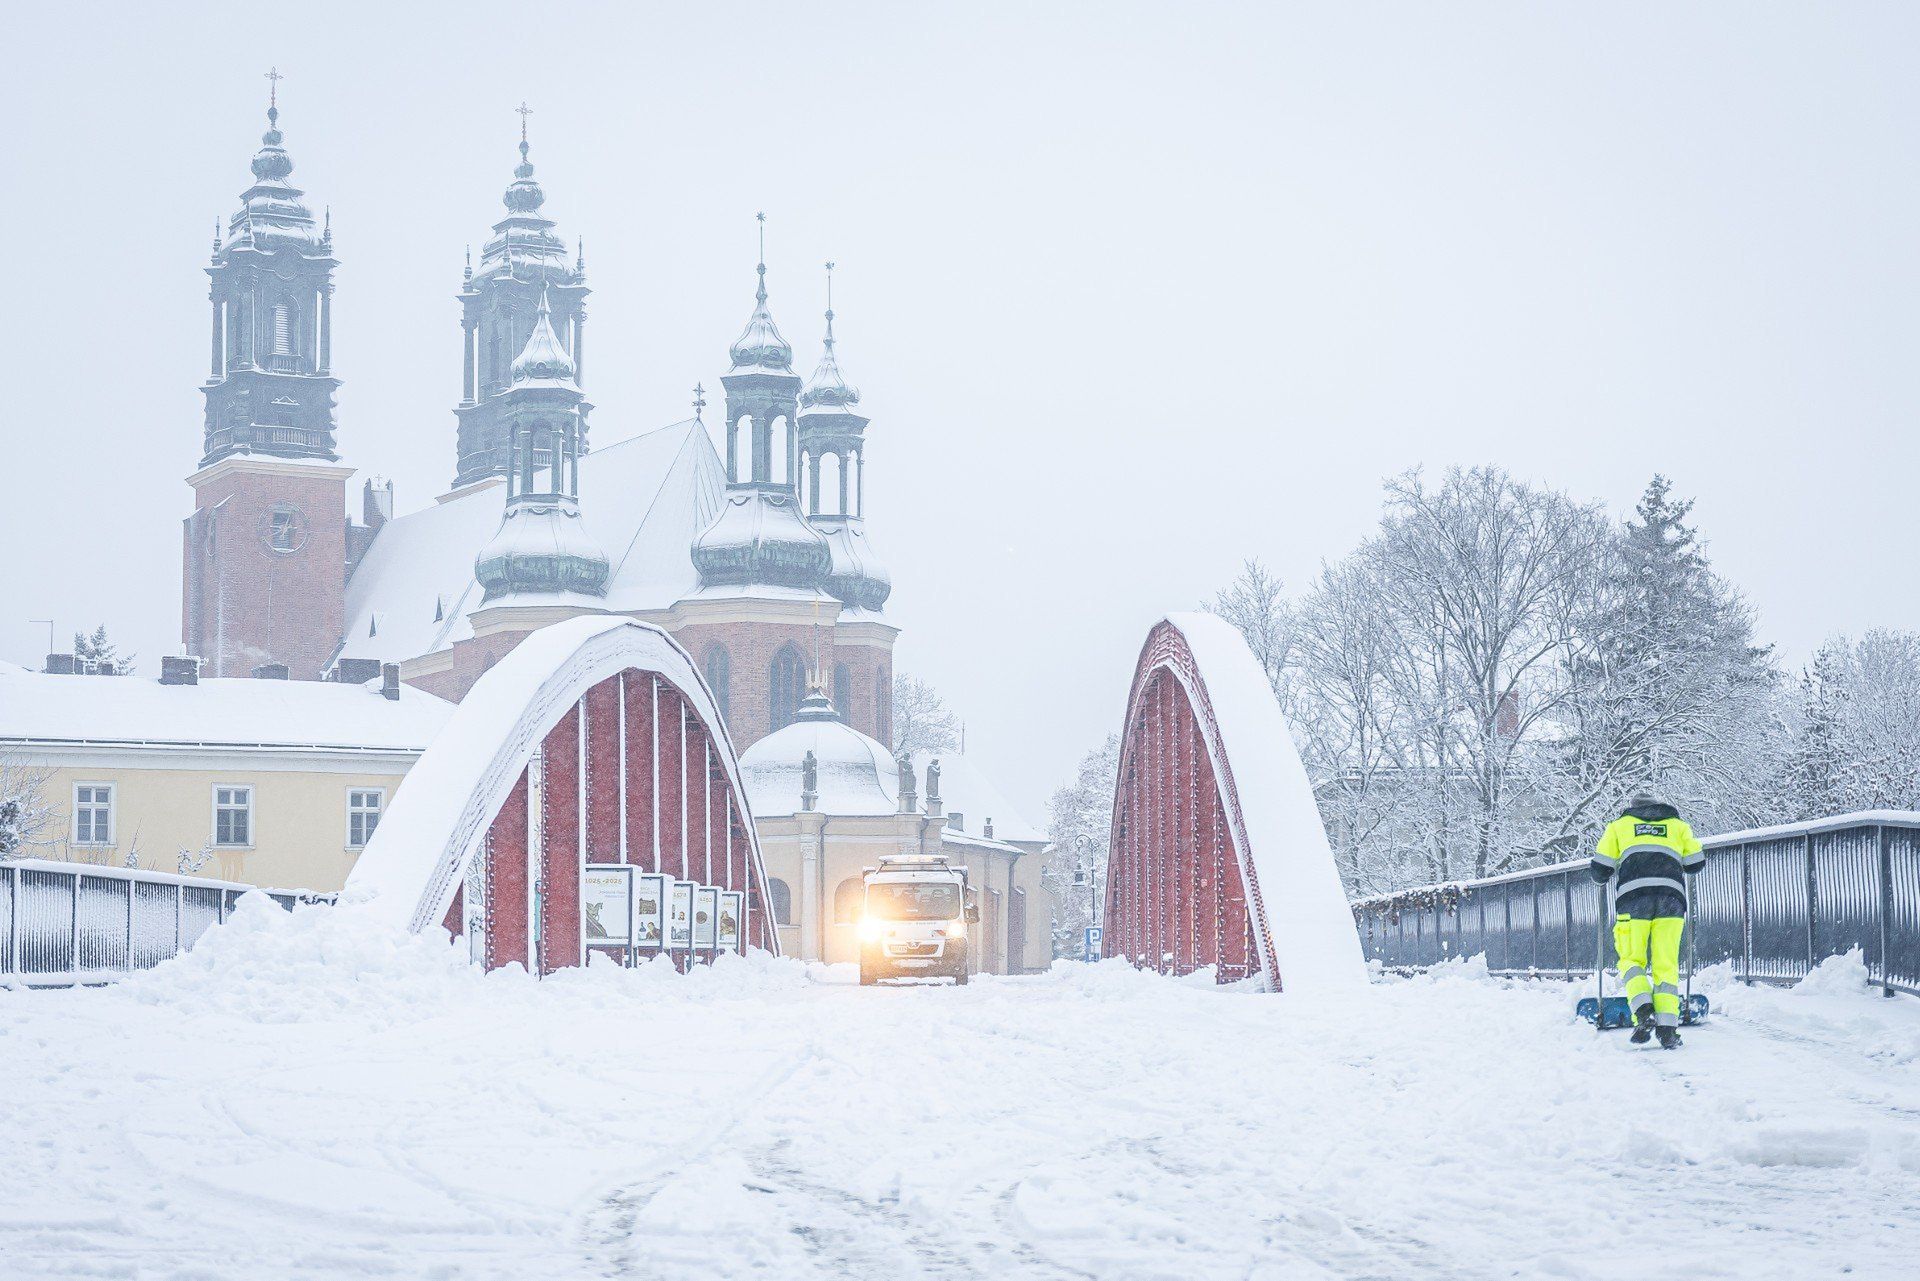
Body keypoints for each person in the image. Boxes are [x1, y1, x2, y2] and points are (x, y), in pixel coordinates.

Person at [1589, 794, 1705, 1048]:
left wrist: (1602, 876)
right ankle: (1667, 1030)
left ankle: (1643, 1012)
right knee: (1666, 964)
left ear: (1633, 809)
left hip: (1633, 900)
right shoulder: (1678, 826)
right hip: (1671, 899)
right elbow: (1695, 863)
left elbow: (1600, 868)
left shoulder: (1619, 826)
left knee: (1632, 959)